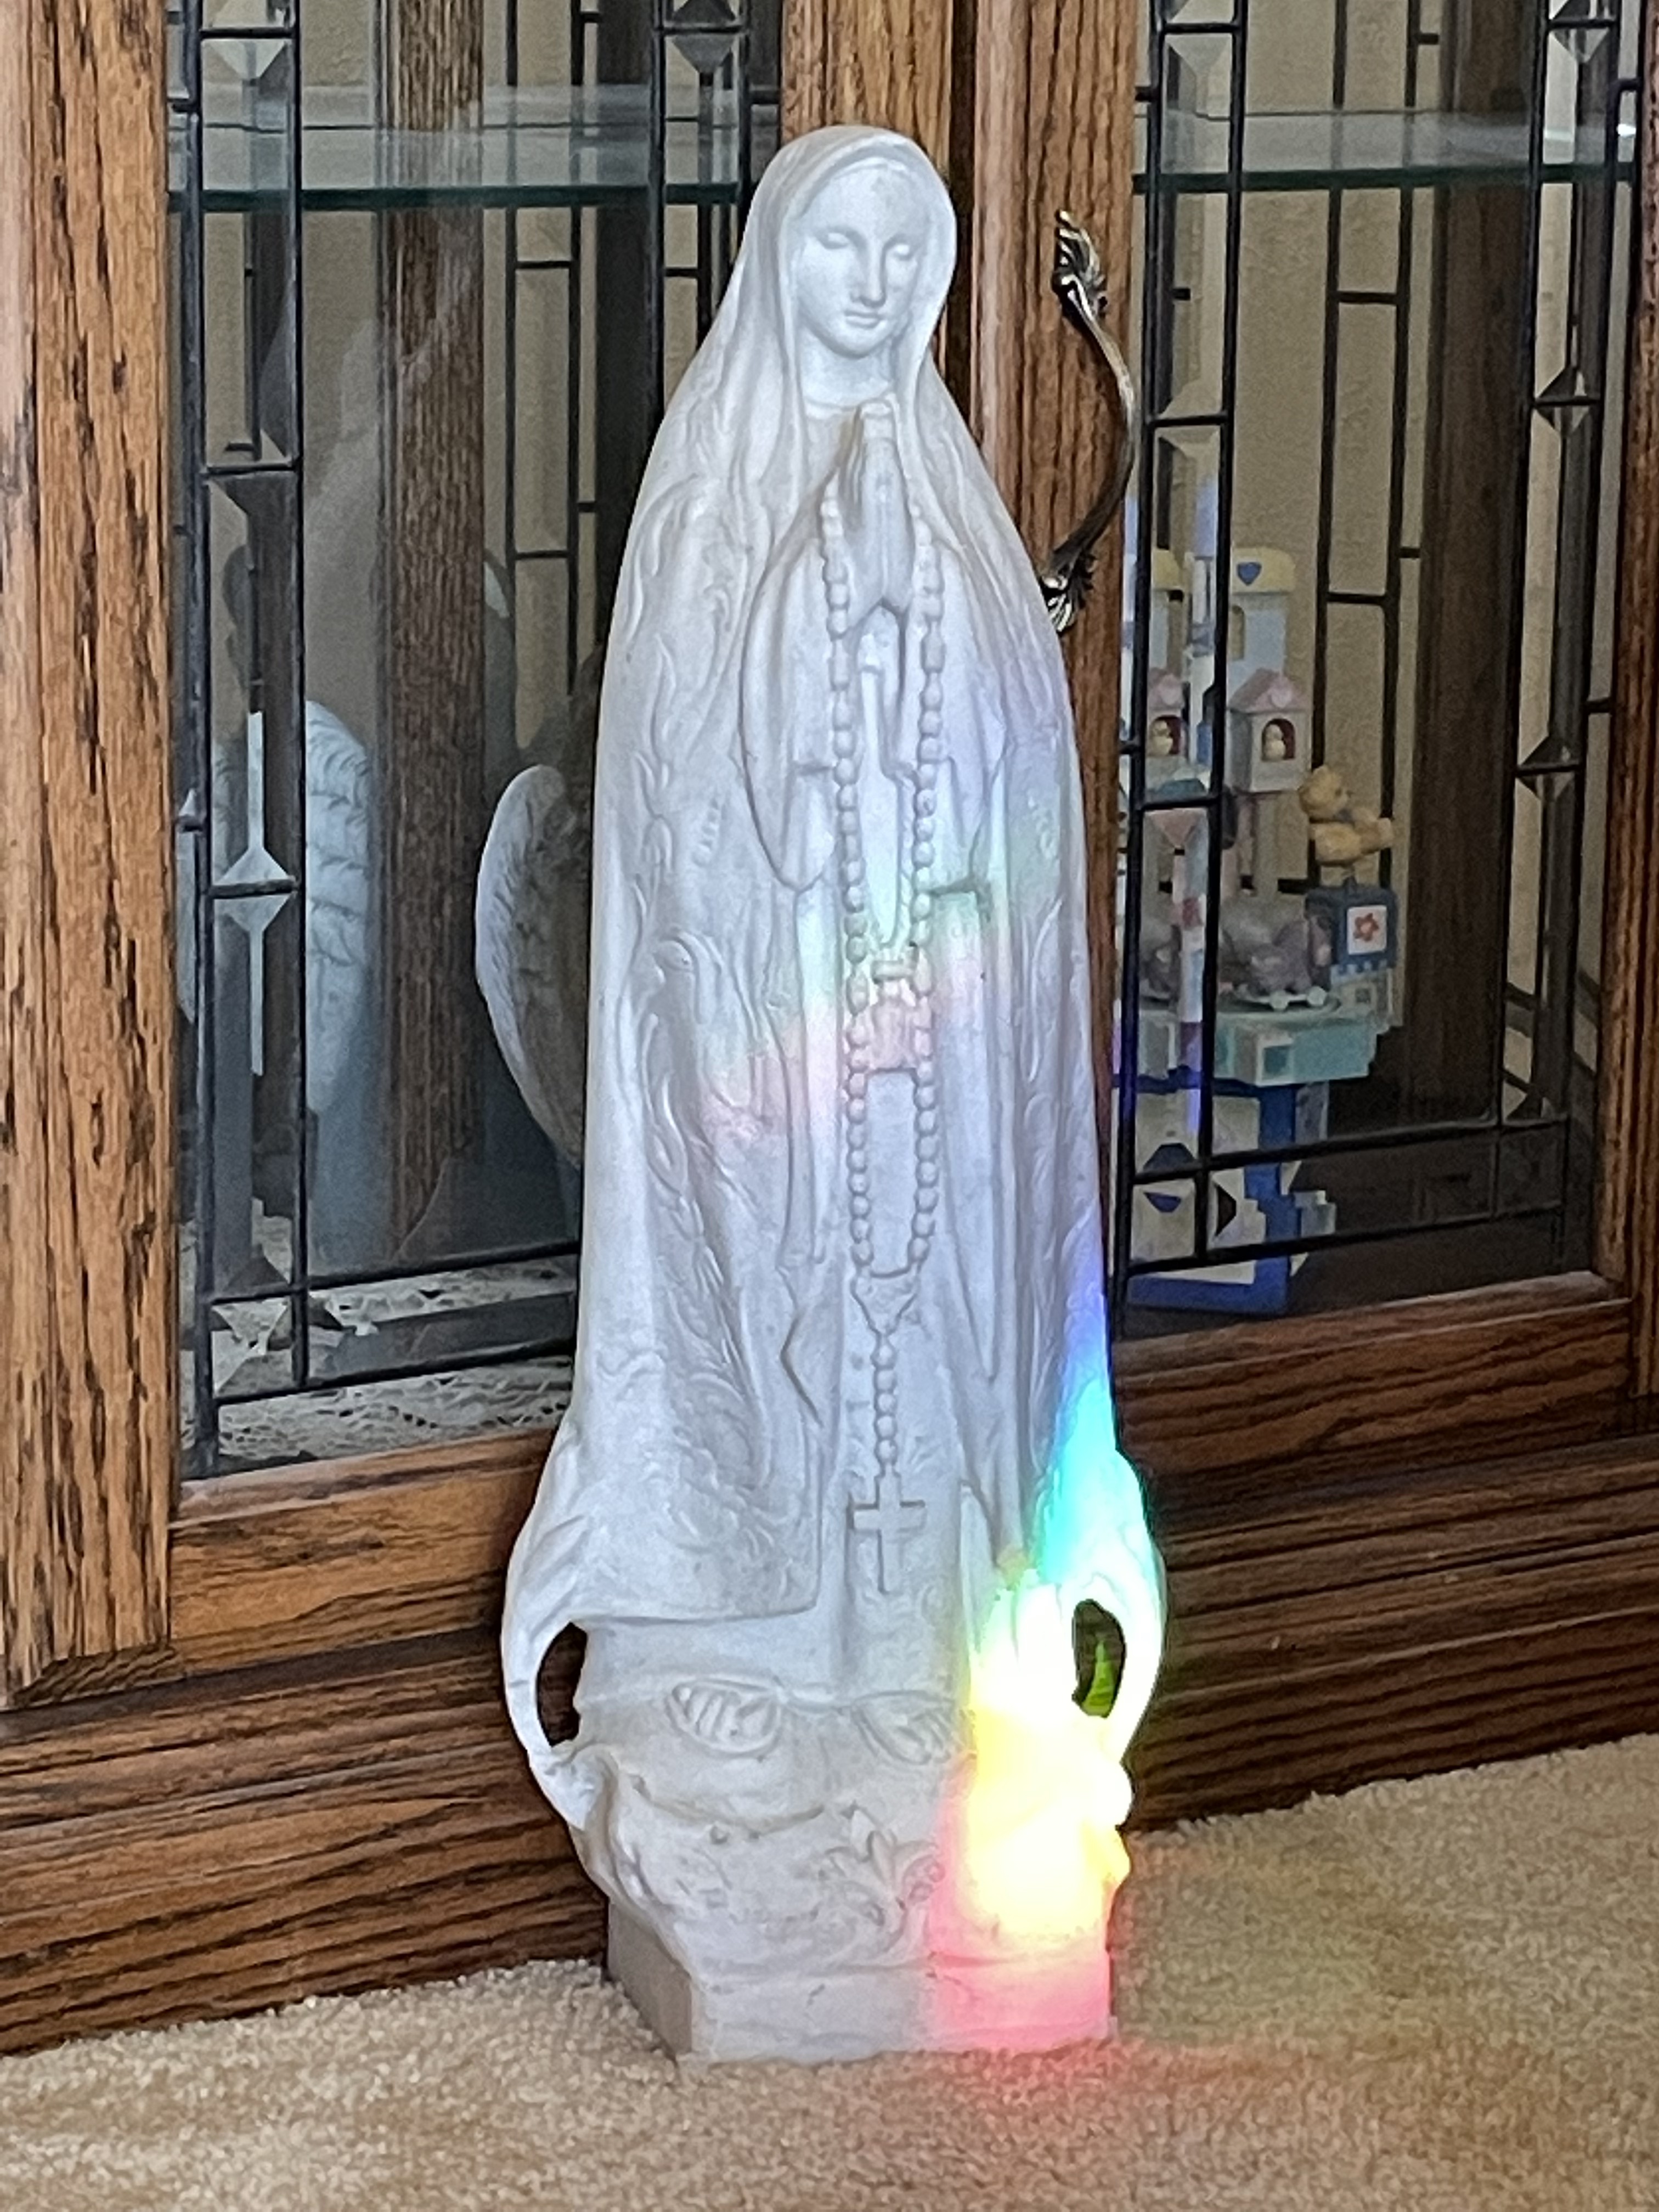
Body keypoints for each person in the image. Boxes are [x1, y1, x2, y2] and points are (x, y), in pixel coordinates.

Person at [500, 125, 1161, 1869]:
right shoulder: (710, 495)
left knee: (926, 1335)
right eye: (836, 248)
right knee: (769, 1320)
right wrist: (812, 648)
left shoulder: (949, 496)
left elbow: (1015, 776)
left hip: (924, 1029)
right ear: (776, 259)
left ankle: (921, 1670)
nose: (869, 287)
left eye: (899, 253)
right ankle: (739, 1662)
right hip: (773, 1032)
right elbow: (669, 780)